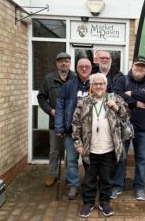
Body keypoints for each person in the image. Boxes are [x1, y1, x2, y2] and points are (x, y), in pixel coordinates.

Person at [72, 73, 130, 218]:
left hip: (108, 148)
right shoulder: (84, 101)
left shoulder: (115, 98)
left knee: (106, 179)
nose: (99, 86)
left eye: (101, 84)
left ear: (106, 85)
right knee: (89, 179)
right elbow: (75, 123)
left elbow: (127, 115)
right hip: (89, 148)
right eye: (96, 84)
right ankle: (88, 202)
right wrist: (78, 143)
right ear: (91, 86)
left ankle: (105, 202)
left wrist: (116, 107)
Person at [110, 55, 145, 201]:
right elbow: (116, 95)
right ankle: (117, 185)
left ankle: (139, 188)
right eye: (137, 65)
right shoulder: (122, 79)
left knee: (142, 159)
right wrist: (135, 102)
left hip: (142, 128)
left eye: (142, 66)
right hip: (123, 126)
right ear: (132, 66)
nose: (139, 68)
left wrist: (132, 93)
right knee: (120, 157)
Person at [37, 52, 76, 188]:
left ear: (70, 63)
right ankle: (52, 174)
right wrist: (51, 111)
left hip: (72, 123)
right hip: (55, 122)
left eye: (66, 61)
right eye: (61, 61)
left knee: (71, 152)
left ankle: (70, 176)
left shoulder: (75, 78)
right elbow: (41, 98)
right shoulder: (49, 79)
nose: (64, 63)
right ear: (56, 63)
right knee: (54, 150)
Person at [54, 58, 92, 200]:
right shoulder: (68, 86)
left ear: (90, 68)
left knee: (89, 160)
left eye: (86, 66)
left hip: (90, 132)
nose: (84, 68)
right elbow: (60, 106)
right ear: (76, 68)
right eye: (81, 66)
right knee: (71, 159)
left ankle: (89, 184)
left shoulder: (96, 85)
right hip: (71, 131)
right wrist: (59, 126)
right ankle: (73, 185)